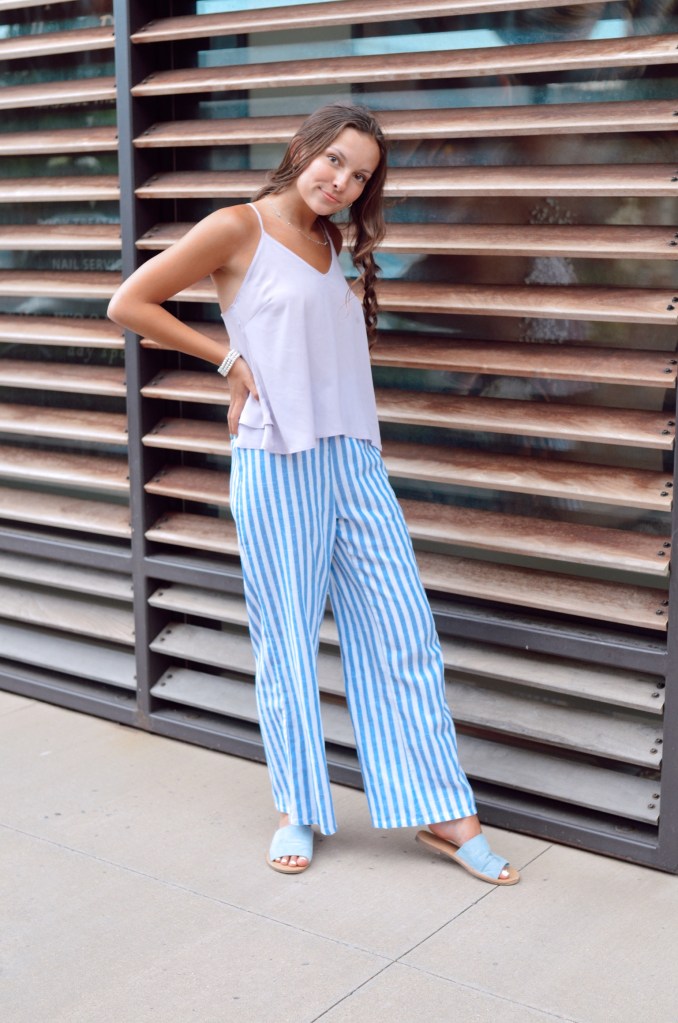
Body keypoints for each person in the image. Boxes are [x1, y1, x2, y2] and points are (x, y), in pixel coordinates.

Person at [108, 103, 519, 886]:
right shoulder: (237, 227)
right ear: (302, 148)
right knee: (288, 638)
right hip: (277, 457)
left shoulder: (335, 242)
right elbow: (129, 302)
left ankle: (440, 807)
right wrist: (230, 362)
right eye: (334, 160)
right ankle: (297, 804)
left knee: (401, 630)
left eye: (360, 176)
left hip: (353, 457)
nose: (342, 182)